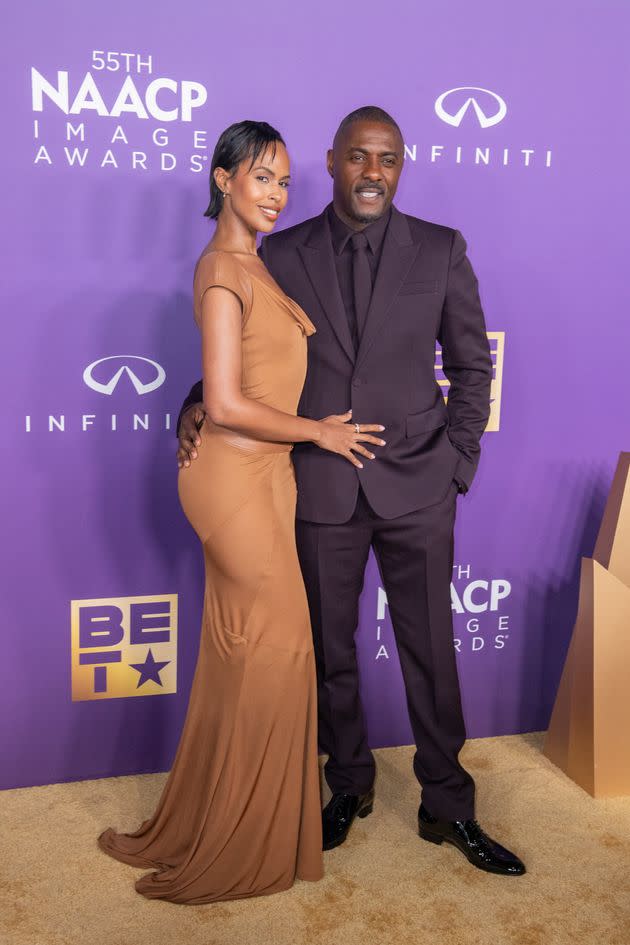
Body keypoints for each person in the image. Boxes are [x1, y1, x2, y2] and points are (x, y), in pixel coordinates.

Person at [177, 107, 526, 877]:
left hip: (419, 488)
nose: (374, 172)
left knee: (432, 650)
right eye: (360, 157)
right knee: (332, 653)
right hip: (320, 489)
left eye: (389, 160)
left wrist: (456, 464)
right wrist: (198, 398)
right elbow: (249, 348)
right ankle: (349, 784)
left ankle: (449, 804)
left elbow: (473, 367)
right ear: (333, 161)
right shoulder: (284, 251)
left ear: (401, 168)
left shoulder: (440, 250)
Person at [98, 120, 386, 904]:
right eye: (261, 177)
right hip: (234, 479)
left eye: (285, 181)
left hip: (266, 479)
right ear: (223, 179)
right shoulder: (222, 269)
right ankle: (239, 840)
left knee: (240, 653)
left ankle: (210, 819)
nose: (276, 193)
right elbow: (225, 402)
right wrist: (320, 432)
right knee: (282, 649)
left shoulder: (256, 266)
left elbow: (237, 381)